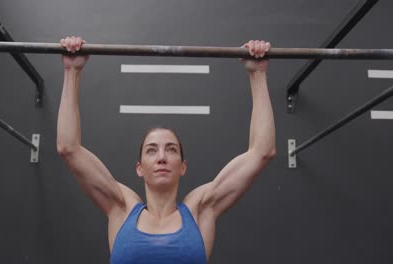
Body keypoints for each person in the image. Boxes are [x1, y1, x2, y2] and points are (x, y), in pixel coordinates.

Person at [57, 36, 276, 263]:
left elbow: (262, 151)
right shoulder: (121, 208)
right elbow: (68, 148)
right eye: (152, 150)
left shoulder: (199, 210)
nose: (161, 157)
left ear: (183, 166)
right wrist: (71, 71)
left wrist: (257, 74)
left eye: (171, 150)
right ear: (139, 168)